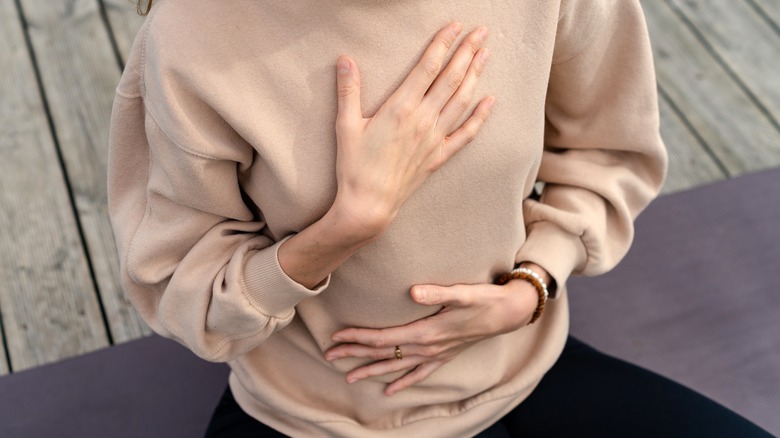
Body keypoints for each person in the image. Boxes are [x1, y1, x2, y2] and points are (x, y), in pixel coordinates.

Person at [108, 0, 771, 436]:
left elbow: (607, 150)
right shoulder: (192, 33)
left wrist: (532, 286)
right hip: (313, 419)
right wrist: (342, 230)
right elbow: (180, 288)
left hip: (524, 373)